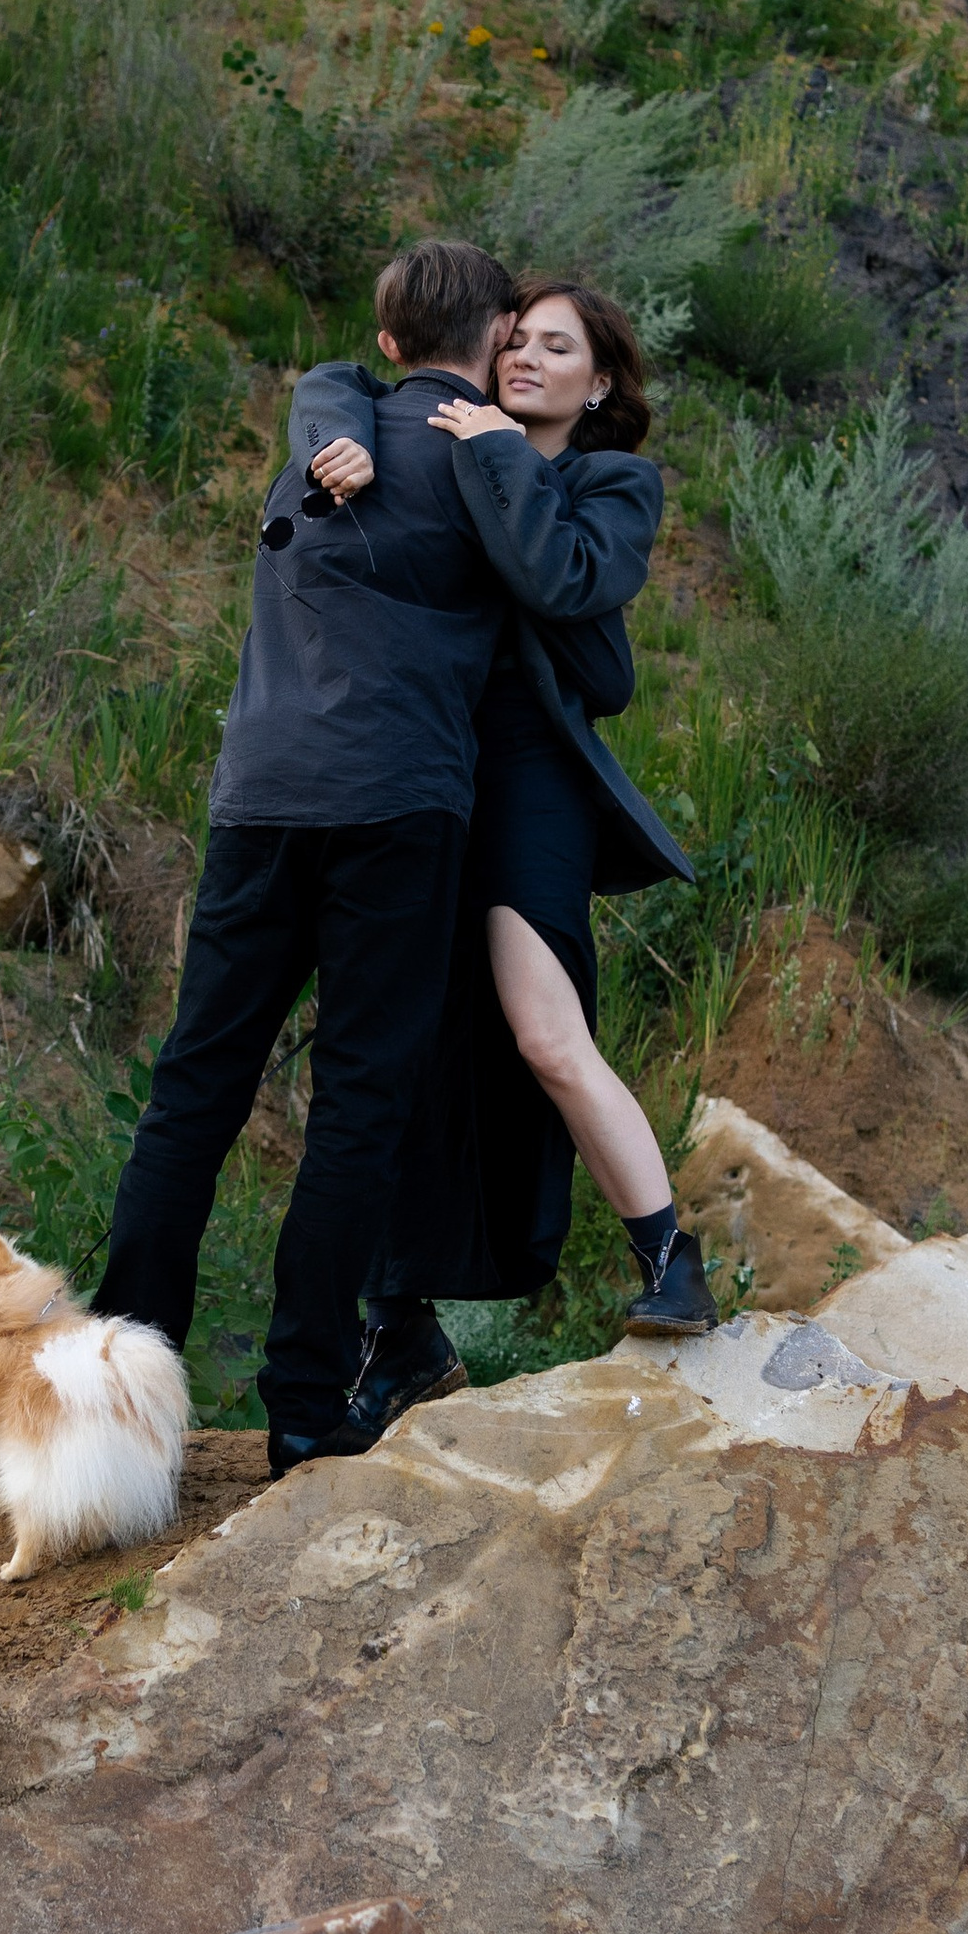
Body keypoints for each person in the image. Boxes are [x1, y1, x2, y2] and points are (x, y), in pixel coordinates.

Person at [92, 237, 624, 1475]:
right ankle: (301, 1407)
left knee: (192, 1097)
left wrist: (337, 408)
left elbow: (330, 384)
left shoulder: (321, 443)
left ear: (386, 344)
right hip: (399, 811)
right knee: (357, 1112)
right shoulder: (488, 468)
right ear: (492, 344)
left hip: (261, 800)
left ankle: (122, 1408)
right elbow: (582, 631)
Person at [289, 278, 717, 1452]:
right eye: (514, 341)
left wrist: (501, 458)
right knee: (397, 1052)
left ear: (602, 382)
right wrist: (339, 427)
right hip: (419, 776)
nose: (526, 359)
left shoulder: (607, 482)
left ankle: (671, 1255)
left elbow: (567, 584)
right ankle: (400, 1330)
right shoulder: (442, 432)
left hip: (525, 778)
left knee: (541, 1032)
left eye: (555, 348)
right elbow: (341, 381)